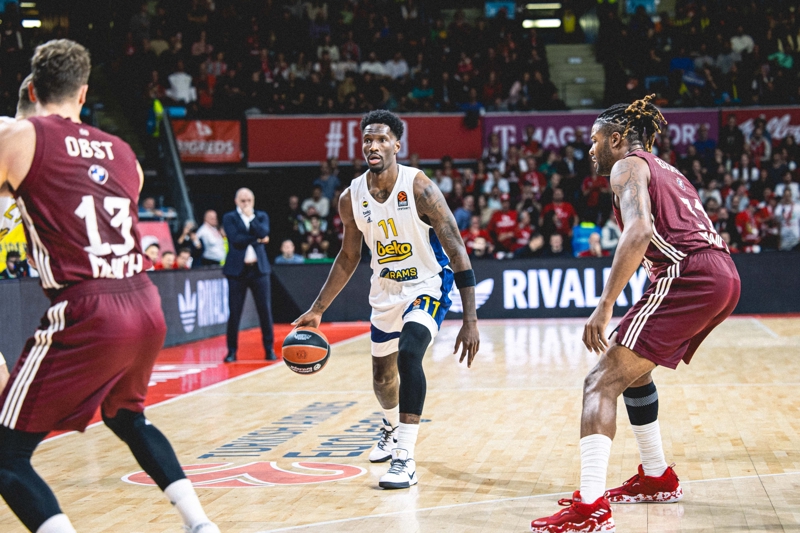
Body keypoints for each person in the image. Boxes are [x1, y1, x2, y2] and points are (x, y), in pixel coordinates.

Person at [0, 39, 219, 533]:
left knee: (6, 457)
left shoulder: (18, 136)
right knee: (125, 417)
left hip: (87, 306)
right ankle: (200, 524)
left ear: (32, 90)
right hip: (144, 301)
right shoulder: (124, 154)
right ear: (83, 94)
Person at [531, 95, 740, 533]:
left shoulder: (626, 166)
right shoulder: (668, 169)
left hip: (689, 275)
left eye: (595, 140)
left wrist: (605, 304)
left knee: (599, 381)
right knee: (633, 372)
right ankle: (657, 476)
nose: (590, 148)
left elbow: (640, 230)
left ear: (617, 139)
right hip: (721, 273)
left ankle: (590, 509)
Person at [293, 110, 480, 490]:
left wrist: (471, 320)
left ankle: (405, 458)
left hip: (427, 285)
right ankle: (390, 428)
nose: (373, 146)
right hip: (384, 292)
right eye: (367, 140)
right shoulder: (351, 197)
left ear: (397, 145)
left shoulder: (420, 187)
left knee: (410, 354)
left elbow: (457, 248)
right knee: (382, 377)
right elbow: (348, 257)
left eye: (381, 139)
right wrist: (317, 309)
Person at [222, 188, 276, 362]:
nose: (246, 204)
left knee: (265, 310)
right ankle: (231, 351)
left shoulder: (260, 216)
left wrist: (251, 219)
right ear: (236, 201)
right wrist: (257, 239)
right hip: (237, 271)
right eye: (242, 200)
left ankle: (269, 349)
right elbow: (235, 239)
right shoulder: (229, 217)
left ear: (253, 201)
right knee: (234, 312)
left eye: (248, 200)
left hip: (259, 270)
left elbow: (263, 232)